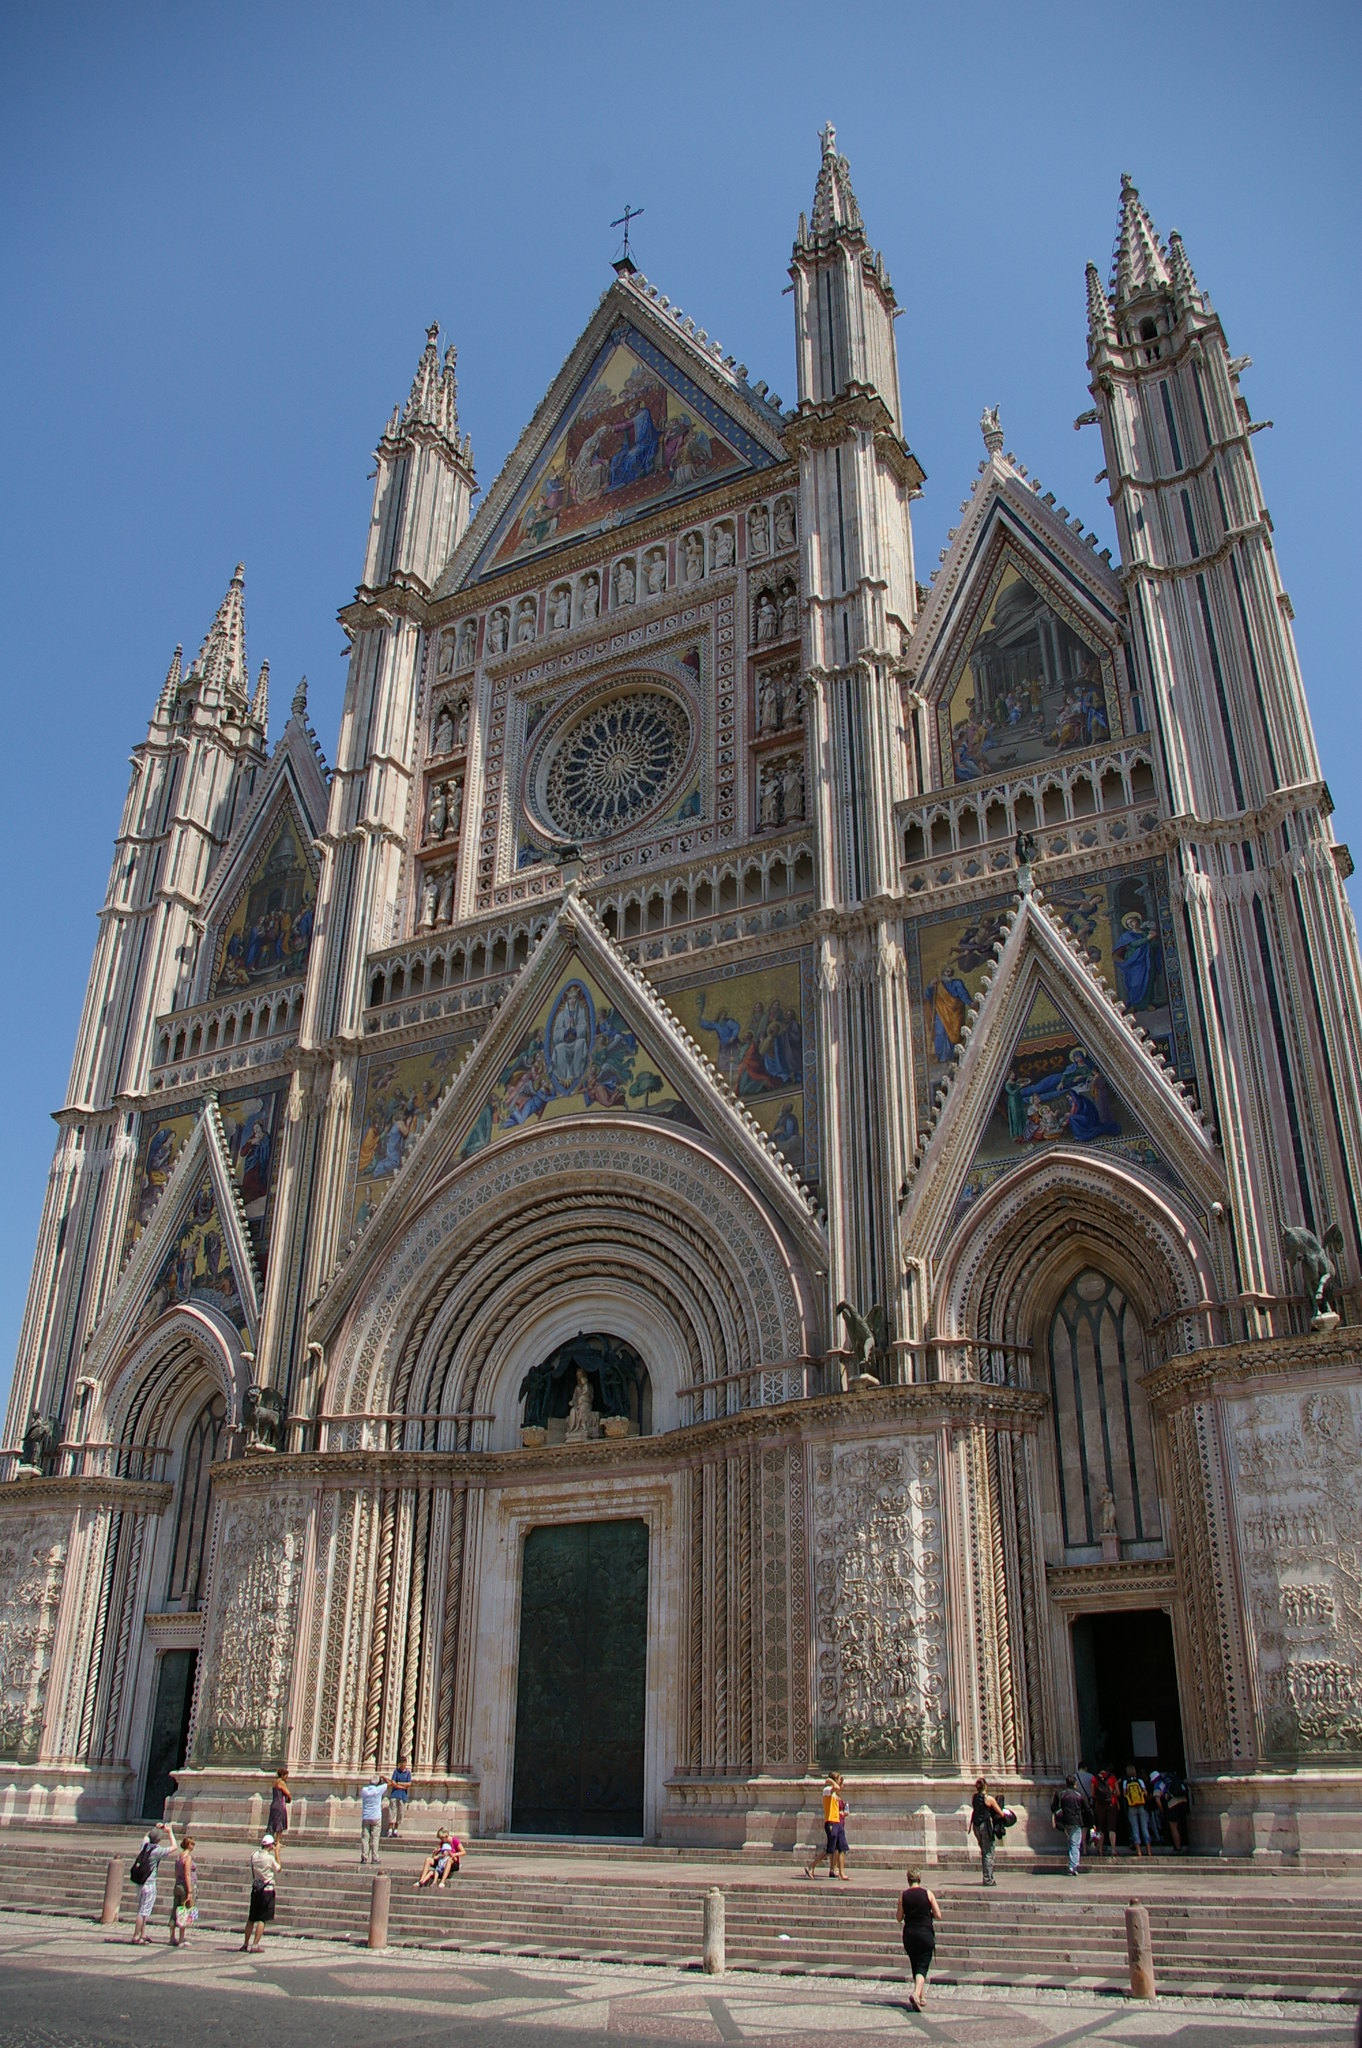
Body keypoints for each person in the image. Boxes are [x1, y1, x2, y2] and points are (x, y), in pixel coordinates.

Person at [896, 1865, 942, 2014]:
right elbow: (938, 1915)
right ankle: (916, 1994)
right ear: (919, 1879)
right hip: (925, 1933)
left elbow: (898, 1918)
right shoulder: (928, 1894)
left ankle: (921, 1996)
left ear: (908, 1880)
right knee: (922, 1966)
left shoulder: (903, 1895)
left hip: (909, 1934)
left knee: (915, 1964)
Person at [131, 1820, 176, 1944]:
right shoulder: (157, 1851)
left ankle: (142, 1933)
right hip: (149, 1884)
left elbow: (146, 1836)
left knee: (142, 1909)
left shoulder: (144, 1846)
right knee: (143, 1912)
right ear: (159, 1840)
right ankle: (136, 1936)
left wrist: (155, 1829)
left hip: (140, 1882)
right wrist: (170, 1832)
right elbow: (174, 1847)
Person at [803, 1771, 848, 1880]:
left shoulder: (835, 1793)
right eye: (838, 1779)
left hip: (838, 1822)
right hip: (831, 1822)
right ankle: (811, 1866)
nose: (840, 1782)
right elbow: (836, 1787)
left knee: (842, 1848)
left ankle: (841, 1873)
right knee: (830, 1850)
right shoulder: (827, 1790)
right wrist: (831, 1781)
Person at [241, 1832, 280, 1951]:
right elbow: (278, 1868)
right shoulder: (269, 1858)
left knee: (251, 1918)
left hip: (256, 1888)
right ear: (270, 1845)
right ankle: (255, 1945)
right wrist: (277, 1853)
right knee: (262, 1919)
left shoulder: (254, 1855)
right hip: (267, 1890)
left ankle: (245, 1944)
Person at [1051, 1774, 1094, 1876]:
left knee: (1070, 1842)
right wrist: (1091, 1822)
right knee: (1075, 1844)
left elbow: (1053, 1807)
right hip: (1076, 1821)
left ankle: (1072, 1862)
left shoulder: (1060, 1794)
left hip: (1064, 1821)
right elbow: (1087, 1809)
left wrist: (1058, 1814)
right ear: (1075, 1784)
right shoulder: (1079, 1795)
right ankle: (1073, 1866)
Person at [969, 1777, 1005, 1886]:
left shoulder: (974, 1797)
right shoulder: (989, 1799)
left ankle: (987, 1876)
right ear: (986, 1786)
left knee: (984, 1851)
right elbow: (1001, 1813)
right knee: (988, 1852)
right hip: (985, 1826)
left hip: (976, 1826)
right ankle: (988, 1879)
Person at [169, 1835, 196, 1947]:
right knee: (183, 1912)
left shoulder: (179, 1857)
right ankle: (181, 1938)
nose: (193, 1846)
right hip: (184, 1886)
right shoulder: (187, 1858)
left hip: (177, 1885)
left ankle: (172, 1937)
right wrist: (189, 1891)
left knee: (175, 1910)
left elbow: (176, 1873)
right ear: (188, 1845)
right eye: (192, 1844)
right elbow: (187, 1874)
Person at [1122, 1763, 1153, 1857]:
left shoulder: (1125, 1782)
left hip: (1131, 1807)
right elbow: (1145, 1792)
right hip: (1141, 1806)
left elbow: (1124, 1794)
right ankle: (1149, 1851)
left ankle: (1139, 1851)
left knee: (1135, 1829)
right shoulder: (1140, 1781)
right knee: (1144, 1828)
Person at [1091, 1766, 1121, 1856]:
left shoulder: (1094, 1778)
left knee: (1101, 1828)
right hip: (1112, 1804)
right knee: (1111, 1827)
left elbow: (1092, 1794)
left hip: (1099, 1805)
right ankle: (1113, 1850)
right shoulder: (1112, 1777)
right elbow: (1118, 1793)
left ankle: (1100, 1850)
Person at [360, 1769, 387, 1864]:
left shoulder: (364, 1790)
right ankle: (375, 1857)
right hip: (376, 1817)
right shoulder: (379, 1790)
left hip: (366, 1816)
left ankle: (364, 1857)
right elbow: (390, 1783)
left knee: (365, 1838)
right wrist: (383, 1778)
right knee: (375, 1838)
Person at [1162, 1768, 1191, 1851]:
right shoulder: (1178, 1780)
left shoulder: (1165, 1782)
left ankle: (1178, 1847)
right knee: (1183, 1824)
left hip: (1173, 1804)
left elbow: (1162, 1795)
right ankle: (1188, 1842)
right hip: (1184, 1802)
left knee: (1174, 1827)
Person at [267, 1766, 291, 1857]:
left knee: (273, 1823)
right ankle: (277, 1842)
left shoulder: (274, 1782)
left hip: (274, 1803)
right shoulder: (281, 1783)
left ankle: (271, 1841)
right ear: (283, 1775)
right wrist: (289, 1798)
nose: (287, 1777)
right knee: (279, 1823)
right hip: (280, 1804)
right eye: (286, 1775)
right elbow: (288, 1793)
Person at [387, 1756, 413, 1836]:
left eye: (404, 1763)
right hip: (395, 1794)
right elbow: (393, 1782)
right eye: (401, 1763)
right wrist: (402, 1786)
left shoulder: (408, 1773)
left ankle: (396, 1829)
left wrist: (399, 1783)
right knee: (392, 1811)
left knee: (400, 1812)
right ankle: (390, 1829)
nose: (403, 1765)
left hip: (403, 1795)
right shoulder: (396, 1771)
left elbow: (409, 1784)